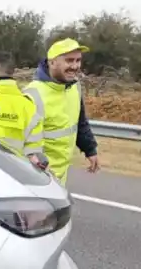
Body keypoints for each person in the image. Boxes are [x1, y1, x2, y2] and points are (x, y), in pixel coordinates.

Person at [22, 38, 100, 184]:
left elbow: (80, 122)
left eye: (78, 60)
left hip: (61, 177)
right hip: (37, 178)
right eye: (69, 60)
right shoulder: (33, 94)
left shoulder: (74, 87)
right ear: (52, 62)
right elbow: (22, 141)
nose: (75, 66)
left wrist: (90, 150)